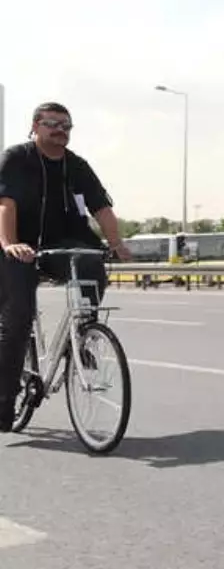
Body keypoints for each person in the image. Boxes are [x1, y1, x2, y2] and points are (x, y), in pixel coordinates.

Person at [0, 102, 133, 432]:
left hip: (64, 245)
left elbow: (101, 207)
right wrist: (9, 244)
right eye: (53, 124)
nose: (61, 131)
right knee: (17, 318)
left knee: (93, 265)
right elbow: (6, 204)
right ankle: (4, 402)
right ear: (36, 125)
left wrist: (115, 242)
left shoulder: (77, 166)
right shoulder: (17, 159)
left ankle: (82, 335)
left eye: (67, 126)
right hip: (20, 247)